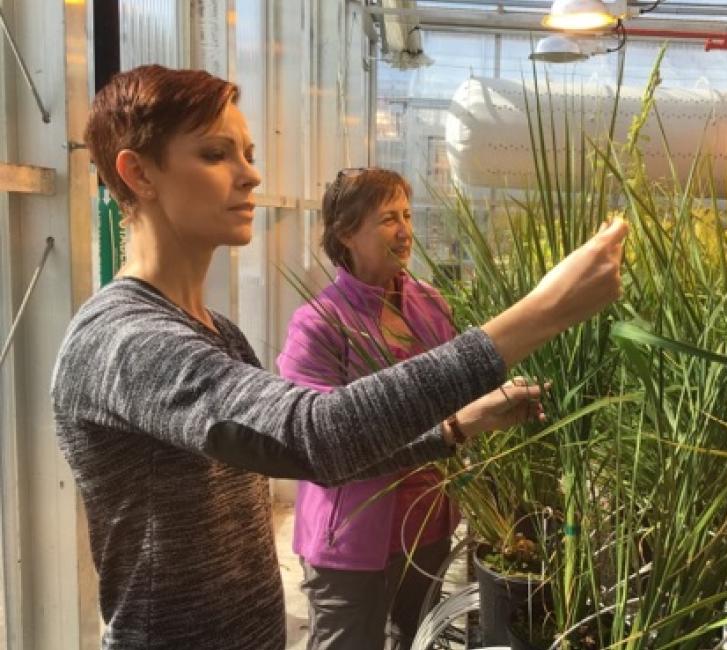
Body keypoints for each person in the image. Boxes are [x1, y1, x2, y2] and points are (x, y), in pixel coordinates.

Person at [50, 64, 627, 650]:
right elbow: (314, 434)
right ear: (138, 172)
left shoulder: (213, 331)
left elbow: (310, 452)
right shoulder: (124, 339)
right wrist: (542, 312)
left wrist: (457, 427)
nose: (250, 175)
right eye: (215, 153)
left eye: (247, 153)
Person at [278, 168, 514, 649]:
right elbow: (314, 443)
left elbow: (460, 396)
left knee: (418, 635)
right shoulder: (319, 323)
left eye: (407, 214)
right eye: (388, 218)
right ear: (346, 233)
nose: (406, 230)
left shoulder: (433, 305)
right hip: (350, 533)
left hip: (428, 518)